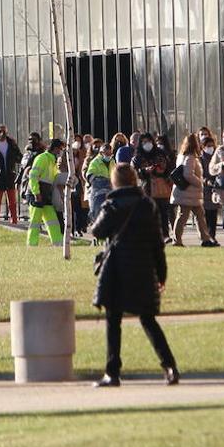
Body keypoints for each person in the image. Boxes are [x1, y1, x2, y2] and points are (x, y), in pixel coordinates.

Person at [89, 163, 178, 387]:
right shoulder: (147, 205)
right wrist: (162, 274)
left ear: (115, 181)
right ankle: (169, 366)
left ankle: (113, 371)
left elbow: (97, 231)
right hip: (143, 267)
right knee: (148, 320)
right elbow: (158, 243)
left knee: (113, 321)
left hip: (117, 269)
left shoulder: (113, 204)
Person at [170, 133, 217, 247]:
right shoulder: (190, 157)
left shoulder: (182, 156)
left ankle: (205, 238)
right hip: (188, 193)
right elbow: (188, 174)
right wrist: (199, 183)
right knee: (183, 216)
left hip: (188, 193)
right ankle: (177, 240)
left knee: (199, 215)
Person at [133, 132, 174, 243]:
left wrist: (160, 169)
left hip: (161, 187)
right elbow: (134, 173)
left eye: (149, 141)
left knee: (163, 212)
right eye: (144, 142)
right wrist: (144, 171)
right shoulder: (137, 157)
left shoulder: (160, 154)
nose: (147, 144)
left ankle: (165, 235)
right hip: (146, 188)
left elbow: (168, 168)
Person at [26, 138, 66, 246]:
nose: (61, 152)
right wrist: (36, 193)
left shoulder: (52, 161)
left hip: (45, 195)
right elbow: (33, 176)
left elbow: (53, 179)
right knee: (35, 222)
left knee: (53, 222)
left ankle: (58, 244)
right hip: (37, 194)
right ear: (56, 148)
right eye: (61, 149)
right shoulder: (42, 158)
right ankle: (32, 245)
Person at [85, 143, 115, 230]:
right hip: (97, 192)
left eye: (110, 154)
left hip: (109, 191)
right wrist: (101, 180)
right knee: (97, 212)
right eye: (106, 154)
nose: (109, 156)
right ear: (101, 153)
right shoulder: (95, 162)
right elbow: (89, 175)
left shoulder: (112, 162)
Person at [198, 134, 220, 240]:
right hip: (204, 190)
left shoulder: (216, 158)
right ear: (203, 147)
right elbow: (199, 175)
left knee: (213, 215)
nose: (210, 148)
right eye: (208, 146)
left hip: (215, 189)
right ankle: (206, 236)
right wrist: (206, 181)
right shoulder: (200, 160)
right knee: (206, 215)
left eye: (212, 145)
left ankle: (213, 236)